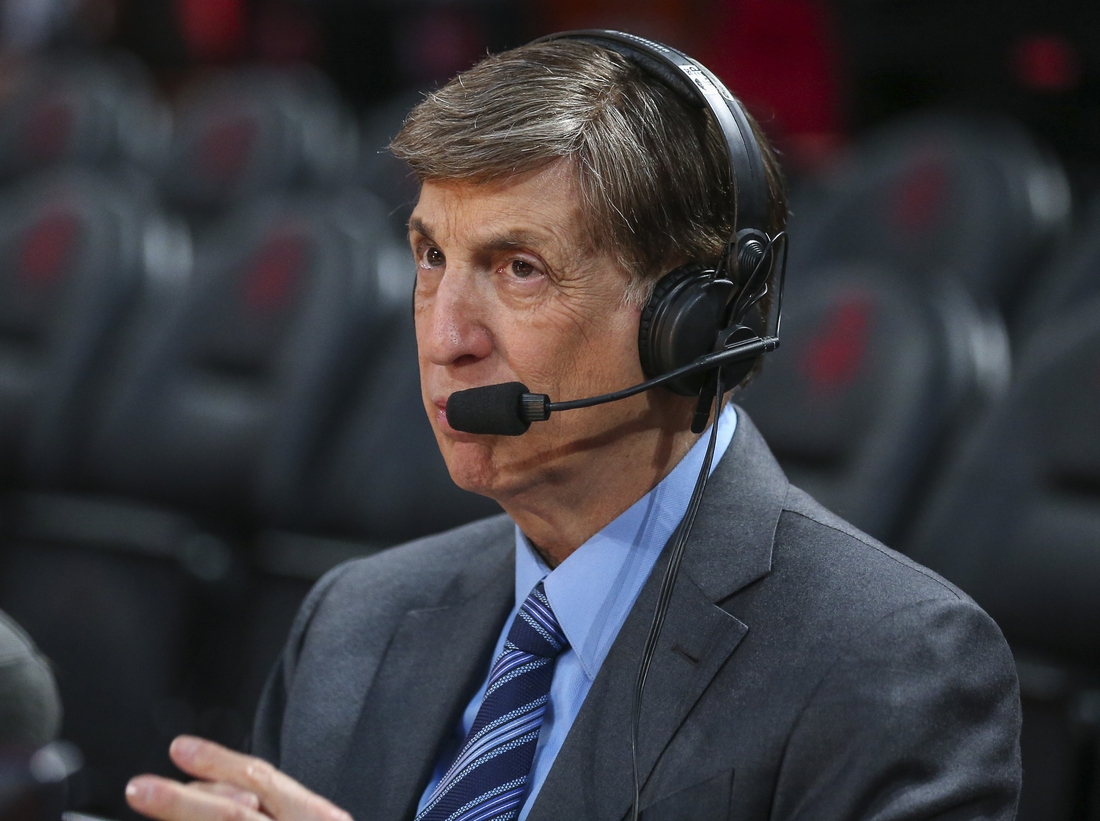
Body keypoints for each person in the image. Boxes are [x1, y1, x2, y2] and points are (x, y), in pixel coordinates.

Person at [124, 32, 1021, 821]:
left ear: (693, 321)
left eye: (519, 268)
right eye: (433, 256)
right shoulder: (356, 619)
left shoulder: (893, 666)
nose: (446, 336)